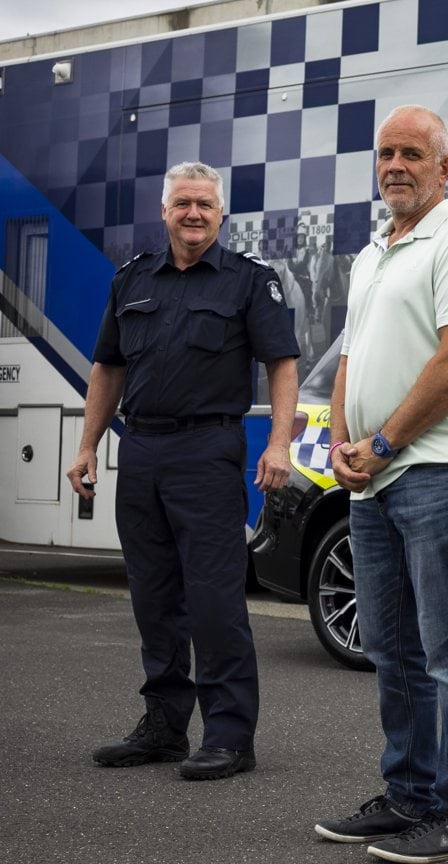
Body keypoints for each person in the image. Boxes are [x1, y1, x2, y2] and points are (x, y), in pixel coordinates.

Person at [313, 105, 448, 863]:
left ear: (444, 168)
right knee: (393, 651)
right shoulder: (373, 255)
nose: (395, 165)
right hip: (374, 480)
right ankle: (407, 799)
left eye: (411, 154)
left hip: (441, 470)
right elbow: (353, 364)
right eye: (385, 153)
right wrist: (339, 441)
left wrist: (384, 441)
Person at [68, 161, 299, 780]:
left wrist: (277, 445)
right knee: (153, 596)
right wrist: (88, 446)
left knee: (215, 598)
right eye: (182, 204)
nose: (193, 214)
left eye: (204, 204)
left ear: (220, 215)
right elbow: (107, 368)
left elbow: (280, 364)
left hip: (207, 452)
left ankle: (228, 735)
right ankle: (165, 727)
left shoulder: (249, 281)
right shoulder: (132, 280)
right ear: (165, 211)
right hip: (140, 451)